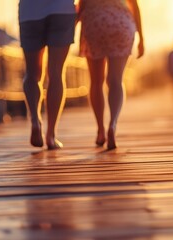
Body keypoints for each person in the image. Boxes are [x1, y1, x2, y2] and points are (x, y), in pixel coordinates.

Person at [78, 0, 144, 150]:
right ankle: (112, 124)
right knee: (115, 80)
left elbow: (81, 7)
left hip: (94, 23)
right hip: (120, 23)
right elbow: (135, 6)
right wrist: (142, 38)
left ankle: (101, 130)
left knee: (96, 82)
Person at [18, 0, 76, 149]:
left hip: (30, 11)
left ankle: (35, 120)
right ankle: (51, 135)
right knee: (56, 73)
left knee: (32, 73)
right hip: (62, 10)